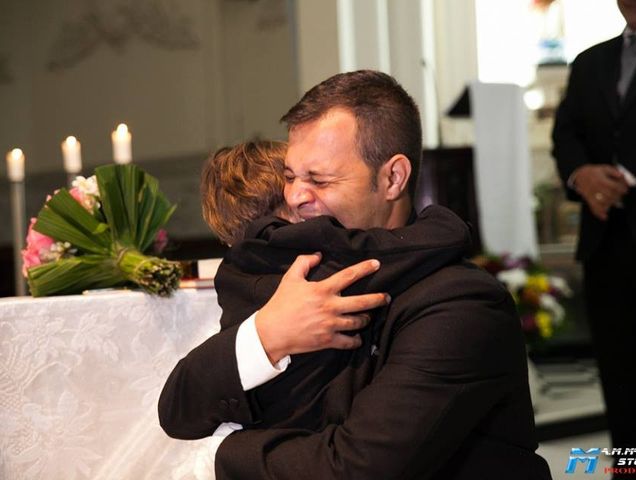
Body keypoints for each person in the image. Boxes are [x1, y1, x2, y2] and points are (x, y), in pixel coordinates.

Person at [160, 70, 551, 479]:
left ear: (393, 178)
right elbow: (179, 411)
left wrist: (224, 452)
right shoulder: (299, 272)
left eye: (320, 179)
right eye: (290, 176)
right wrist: (266, 334)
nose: (294, 196)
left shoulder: (461, 301)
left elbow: (357, 469)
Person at [170, 141, 469, 435]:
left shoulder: (233, 274)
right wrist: (439, 222)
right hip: (329, 437)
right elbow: (390, 255)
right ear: (294, 204)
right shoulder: (312, 258)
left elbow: (178, 408)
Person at [552, 0, 636, 471]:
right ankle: (629, 466)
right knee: (619, 373)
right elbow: (565, 135)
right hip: (605, 241)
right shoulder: (589, 62)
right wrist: (582, 174)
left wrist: (630, 176)